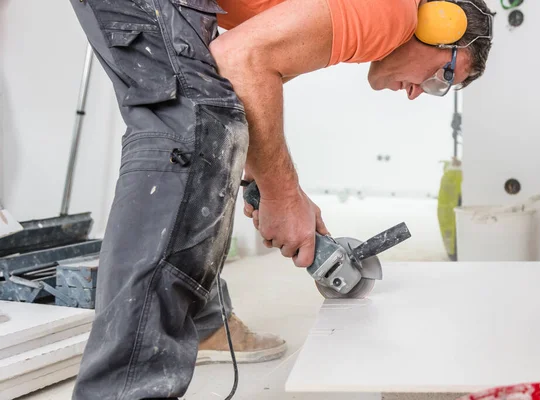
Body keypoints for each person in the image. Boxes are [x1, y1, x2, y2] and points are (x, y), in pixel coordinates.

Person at [67, 0, 493, 398]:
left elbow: (233, 75)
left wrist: (262, 179)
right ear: (442, 24)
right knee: (190, 134)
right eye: (443, 76)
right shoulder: (392, 16)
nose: (420, 92)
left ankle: (203, 321)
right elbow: (240, 60)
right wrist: (283, 196)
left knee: (208, 130)